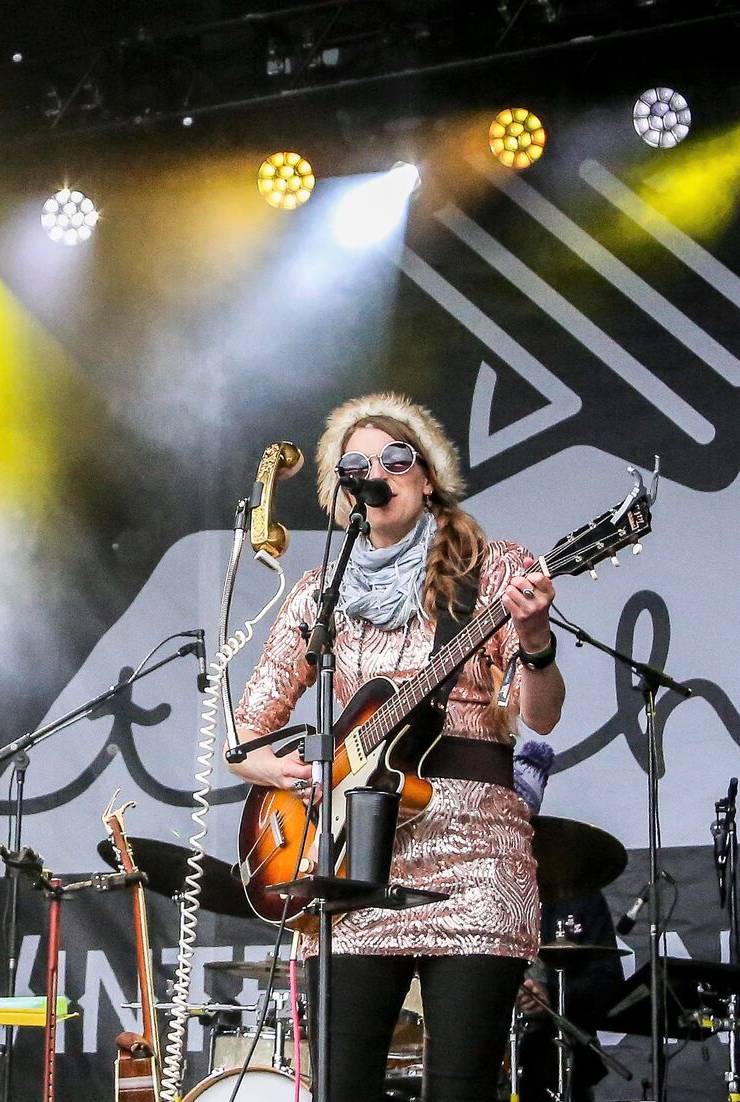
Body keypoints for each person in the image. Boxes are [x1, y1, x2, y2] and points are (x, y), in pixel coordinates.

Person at [227, 392, 565, 1102]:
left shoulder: (495, 568)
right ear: (341, 490)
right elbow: (247, 727)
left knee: (460, 1088)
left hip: (475, 861)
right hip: (351, 862)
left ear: (427, 476)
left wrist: (534, 646)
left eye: (395, 458)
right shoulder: (320, 593)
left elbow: (543, 718)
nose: (377, 471)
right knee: (341, 1087)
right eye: (358, 464)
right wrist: (272, 767)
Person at [510, 740, 625, 1102]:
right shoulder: (471, 885)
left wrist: (554, 995)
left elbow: (607, 980)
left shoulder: (578, 891)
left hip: (555, 1054)